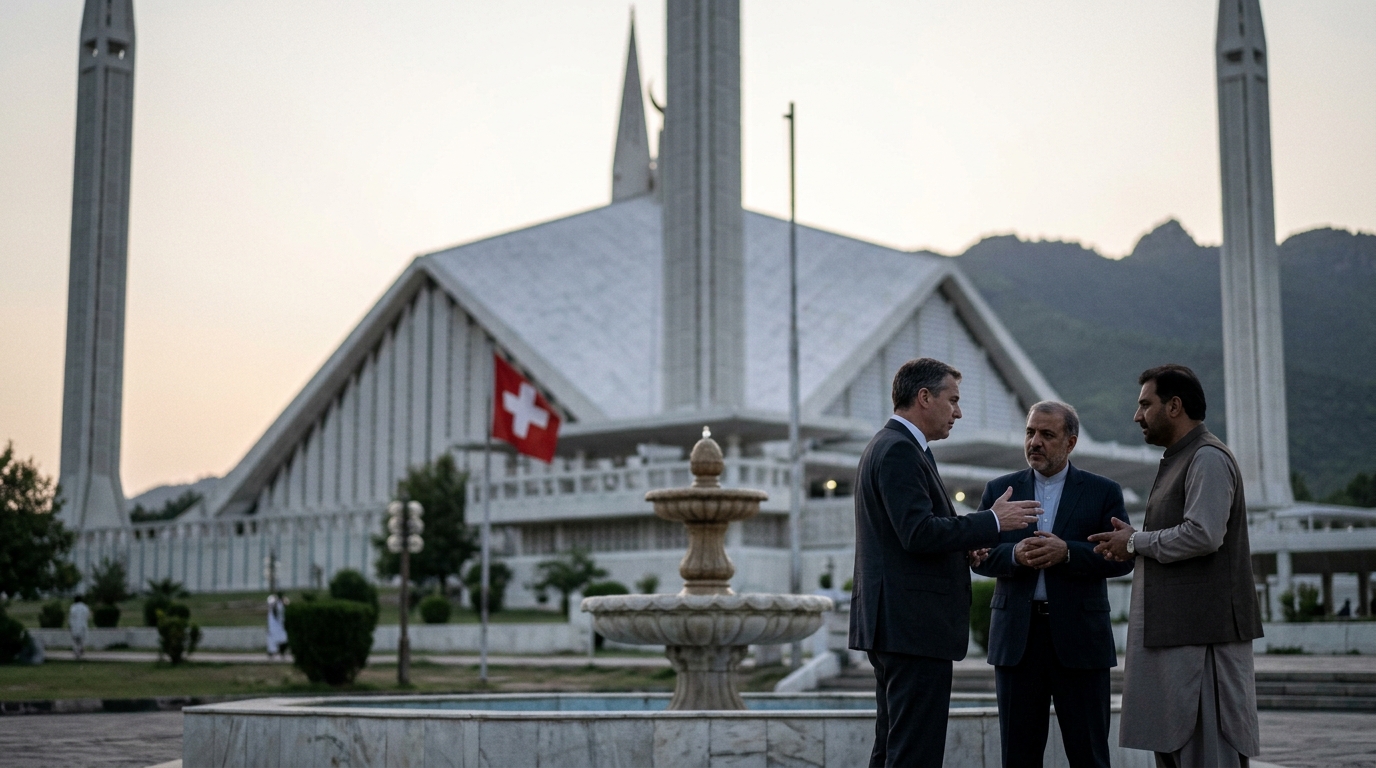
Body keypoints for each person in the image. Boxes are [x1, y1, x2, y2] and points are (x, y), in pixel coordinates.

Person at [849, 357, 1042, 767]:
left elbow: (916, 532)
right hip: (913, 627)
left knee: (893, 747)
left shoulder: (892, 447)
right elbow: (917, 533)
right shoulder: (900, 451)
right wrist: (992, 520)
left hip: (898, 626)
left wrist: (962, 543)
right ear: (924, 397)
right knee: (914, 752)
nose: (958, 412)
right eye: (952, 400)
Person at [1090, 364, 1263, 768]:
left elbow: (1203, 534)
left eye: (1145, 405)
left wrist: (1134, 541)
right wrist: (1135, 540)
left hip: (1203, 640)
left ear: (1174, 406)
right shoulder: (1181, 458)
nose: (1137, 416)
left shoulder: (1207, 458)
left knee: (1207, 752)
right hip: (1179, 638)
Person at [971, 401, 1134, 768]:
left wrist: (1068, 554)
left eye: (1047, 434)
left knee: (1089, 754)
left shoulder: (1102, 492)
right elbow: (979, 556)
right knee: (1018, 756)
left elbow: (1123, 557)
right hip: (1018, 641)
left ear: (1070, 442)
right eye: (1030, 432)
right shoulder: (1001, 490)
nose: (1035, 442)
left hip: (1080, 640)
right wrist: (1015, 555)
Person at [266, 592, 289, 659]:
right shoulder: (273, 606)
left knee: (283, 640)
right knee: (273, 641)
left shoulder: (280, 605)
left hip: (280, 626)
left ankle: (282, 653)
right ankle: (272, 653)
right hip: (274, 627)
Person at [68, 595, 90, 660]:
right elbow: (87, 616)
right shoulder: (85, 607)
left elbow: (71, 616)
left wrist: (70, 625)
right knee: (82, 639)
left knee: (75, 640)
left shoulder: (73, 607)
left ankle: (76, 652)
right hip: (83, 625)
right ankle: (80, 650)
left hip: (74, 626)